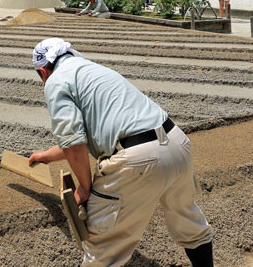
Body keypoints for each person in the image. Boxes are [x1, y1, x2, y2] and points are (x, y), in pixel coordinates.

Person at [28, 38, 214, 267]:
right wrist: (46, 156)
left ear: (43, 71)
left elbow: (74, 144)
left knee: (102, 247)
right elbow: (86, 137)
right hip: (175, 143)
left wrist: (85, 188)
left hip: (138, 160)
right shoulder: (92, 69)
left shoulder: (55, 81)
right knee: (188, 222)